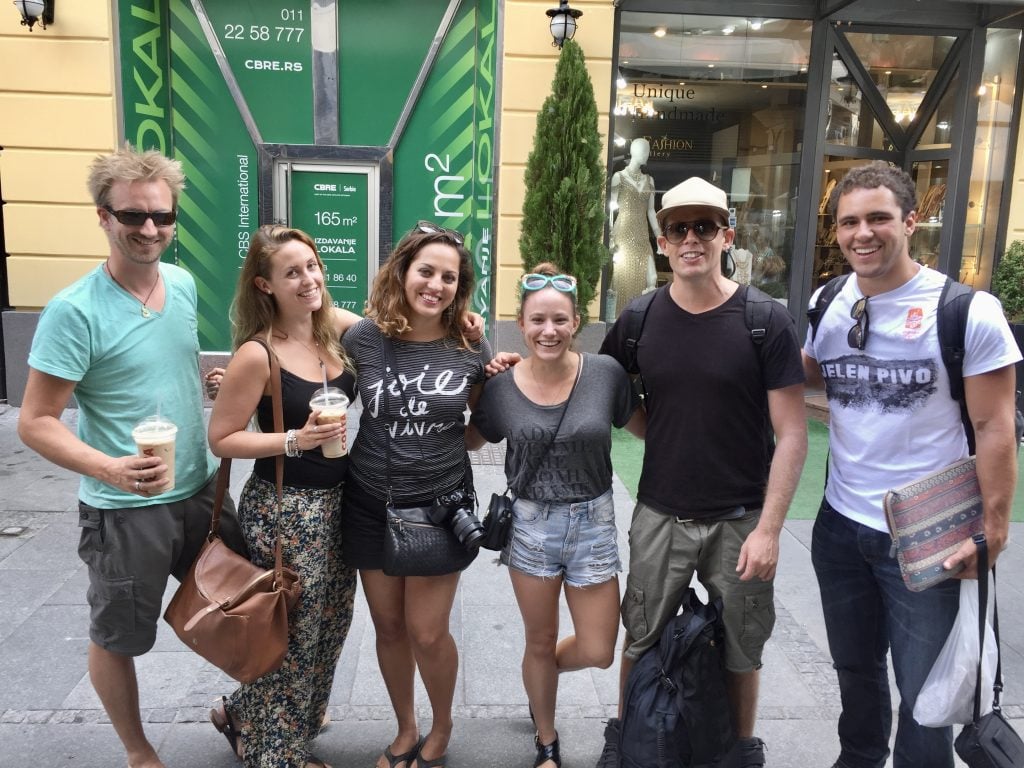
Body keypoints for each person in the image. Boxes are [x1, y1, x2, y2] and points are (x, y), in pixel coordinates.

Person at [17, 145, 246, 768]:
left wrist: (208, 383)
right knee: (119, 636)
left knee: (247, 604)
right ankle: (140, 751)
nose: (149, 230)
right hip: (126, 509)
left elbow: (162, 367)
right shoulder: (74, 310)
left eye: (162, 217)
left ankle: (251, 713)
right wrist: (109, 467)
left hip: (200, 489)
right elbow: (35, 422)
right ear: (103, 216)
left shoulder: (182, 282)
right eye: (133, 216)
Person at [803, 161, 1021, 768]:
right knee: (855, 669)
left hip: (929, 535)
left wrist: (994, 529)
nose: (862, 234)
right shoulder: (829, 301)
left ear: (912, 221)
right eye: (849, 222)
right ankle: (859, 759)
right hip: (840, 525)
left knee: (926, 692)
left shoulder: (966, 311)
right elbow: (815, 373)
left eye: (878, 218)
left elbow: (996, 425)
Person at [597, 176, 808, 768]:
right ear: (661, 242)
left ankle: (741, 748)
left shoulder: (765, 319)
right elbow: (599, 388)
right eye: (677, 228)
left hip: (741, 520)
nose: (691, 238)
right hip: (661, 513)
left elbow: (793, 433)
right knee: (639, 636)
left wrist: (769, 529)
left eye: (704, 227)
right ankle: (626, 738)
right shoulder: (639, 319)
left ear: (726, 237)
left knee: (743, 646)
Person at [466, 263, 644, 768]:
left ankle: (536, 679)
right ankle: (546, 739)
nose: (549, 331)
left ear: (576, 322)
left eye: (560, 320)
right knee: (538, 641)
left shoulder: (605, 375)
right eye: (538, 320)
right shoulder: (502, 388)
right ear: (521, 325)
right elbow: (469, 441)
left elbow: (649, 427)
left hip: (593, 522)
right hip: (530, 527)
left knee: (598, 649)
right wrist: (476, 383)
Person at [206, 225, 363, 768]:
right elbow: (222, 437)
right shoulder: (258, 353)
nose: (309, 279)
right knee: (290, 629)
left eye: (312, 265)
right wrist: (296, 439)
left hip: (339, 503)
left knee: (331, 623)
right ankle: (276, 753)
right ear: (265, 285)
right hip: (285, 509)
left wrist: (468, 327)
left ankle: (244, 713)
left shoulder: (335, 330)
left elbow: (401, 332)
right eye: (291, 272)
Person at [341, 221, 492, 768]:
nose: (436, 284)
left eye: (449, 277)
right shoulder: (364, 338)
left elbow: (477, 427)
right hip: (368, 501)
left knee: (428, 633)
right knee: (388, 627)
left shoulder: (470, 343)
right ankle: (405, 727)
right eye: (425, 271)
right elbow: (309, 348)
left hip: (438, 505)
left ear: (460, 286)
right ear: (402, 272)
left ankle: (443, 724)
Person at [609, 138, 661, 315]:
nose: (647, 154)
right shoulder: (619, 177)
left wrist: (659, 236)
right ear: (633, 151)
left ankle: (641, 317)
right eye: (644, 150)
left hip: (642, 234)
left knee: (651, 278)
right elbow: (610, 208)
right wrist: (608, 232)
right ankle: (619, 318)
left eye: (647, 150)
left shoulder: (650, 180)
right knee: (622, 280)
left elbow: (651, 211)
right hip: (623, 233)